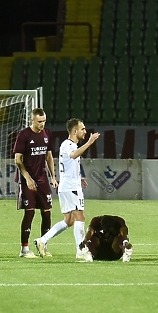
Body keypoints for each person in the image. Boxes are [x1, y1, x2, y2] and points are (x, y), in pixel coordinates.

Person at [34, 118, 99, 261]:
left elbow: (70, 163)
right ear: (75, 131)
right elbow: (73, 155)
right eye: (82, 129)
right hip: (70, 188)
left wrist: (78, 177)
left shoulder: (69, 145)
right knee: (80, 217)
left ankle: (42, 241)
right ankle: (80, 250)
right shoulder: (68, 145)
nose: (85, 131)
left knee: (69, 220)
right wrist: (90, 142)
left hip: (69, 186)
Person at [13, 108, 58, 259]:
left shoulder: (47, 134)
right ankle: (24, 249)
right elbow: (18, 160)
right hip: (27, 180)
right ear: (32, 120)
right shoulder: (24, 135)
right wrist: (27, 178)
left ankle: (43, 244)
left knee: (47, 212)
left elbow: (49, 156)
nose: (42, 124)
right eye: (39, 121)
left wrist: (53, 176)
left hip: (42, 179)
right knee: (30, 212)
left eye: (44, 121)